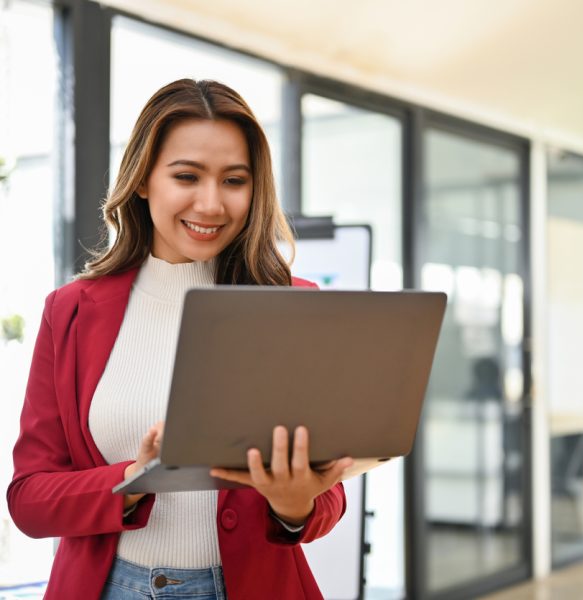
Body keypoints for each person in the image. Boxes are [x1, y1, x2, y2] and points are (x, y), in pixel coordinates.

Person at [7, 79, 353, 600]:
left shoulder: (295, 306)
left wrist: (295, 504)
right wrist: (135, 477)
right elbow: (29, 499)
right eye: (187, 176)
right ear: (144, 179)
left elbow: (330, 496)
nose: (211, 204)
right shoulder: (71, 311)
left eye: (234, 180)